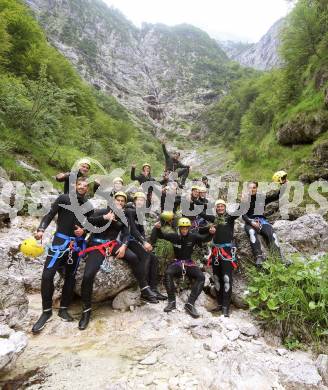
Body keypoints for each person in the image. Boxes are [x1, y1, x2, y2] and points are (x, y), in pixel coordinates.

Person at [78, 191, 158, 330]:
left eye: (122, 201)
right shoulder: (102, 211)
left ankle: (145, 288)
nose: (120, 203)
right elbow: (88, 222)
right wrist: (104, 217)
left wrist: (124, 246)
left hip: (113, 244)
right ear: (113, 201)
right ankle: (86, 311)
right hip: (97, 244)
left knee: (133, 257)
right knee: (88, 274)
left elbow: (127, 233)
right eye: (118, 200)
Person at [32, 178, 92, 333]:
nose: (82, 187)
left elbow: (90, 224)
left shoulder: (88, 206)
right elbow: (50, 214)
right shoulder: (64, 198)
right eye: (80, 185)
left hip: (76, 245)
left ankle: (63, 308)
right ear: (75, 185)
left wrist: (84, 231)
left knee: (70, 276)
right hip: (59, 242)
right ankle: (46, 312)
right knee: (47, 275)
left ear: (88, 189)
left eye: (85, 186)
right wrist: (41, 229)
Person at [154, 217, 215, 318]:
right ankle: (172, 301)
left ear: (189, 228)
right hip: (177, 262)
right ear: (179, 228)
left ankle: (190, 304)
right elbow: (161, 235)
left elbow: (205, 239)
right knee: (168, 273)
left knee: (201, 277)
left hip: (188, 263)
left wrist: (211, 233)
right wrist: (158, 228)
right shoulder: (174, 236)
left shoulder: (193, 236)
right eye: (182, 228)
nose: (184, 230)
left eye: (186, 228)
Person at [126, 192, 167, 301]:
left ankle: (153, 289)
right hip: (127, 240)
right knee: (145, 256)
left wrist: (144, 241)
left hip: (134, 240)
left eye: (143, 200)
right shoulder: (130, 211)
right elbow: (133, 230)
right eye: (138, 200)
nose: (140, 202)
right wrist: (143, 242)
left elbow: (141, 230)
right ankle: (145, 290)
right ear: (134, 200)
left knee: (154, 258)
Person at [204, 199, 239, 317]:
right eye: (218, 206)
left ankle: (225, 307)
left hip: (227, 252)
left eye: (221, 206)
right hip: (215, 252)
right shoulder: (214, 220)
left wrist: (246, 199)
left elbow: (239, 211)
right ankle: (219, 304)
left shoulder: (230, 218)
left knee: (227, 278)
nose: (220, 208)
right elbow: (201, 214)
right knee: (216, 278)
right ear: (215, 208)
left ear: (225, 207)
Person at [242, 181, 283, 267]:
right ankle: (259, 257)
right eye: (250, 187)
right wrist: (251, 222)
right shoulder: (245, 200)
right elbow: (243, 215)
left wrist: (284, 185)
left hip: (262, 221)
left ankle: (279, 258)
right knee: (252, 233)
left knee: (271, 233)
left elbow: (277, 196)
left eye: (254, 187)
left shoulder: (261, 198)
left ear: (256, 188)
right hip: (250, 221)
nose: (252, 189)